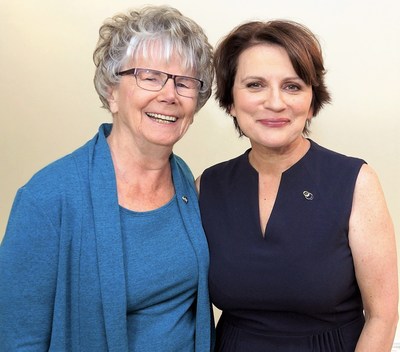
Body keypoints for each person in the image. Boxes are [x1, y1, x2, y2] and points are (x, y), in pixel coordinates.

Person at [0, 5, 214, 351]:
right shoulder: (48, 197)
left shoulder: (186, 182)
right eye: (149, 76)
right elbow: (18, 339)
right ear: (111, 92)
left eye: (184, 81)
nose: (169, 94)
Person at [197, 20, 398, 351]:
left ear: (311, 101)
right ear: (230, 101)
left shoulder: (355, 182)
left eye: (292, 86)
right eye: (255, 85)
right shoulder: (207, 187)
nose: (275, 103)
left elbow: (383, 316)